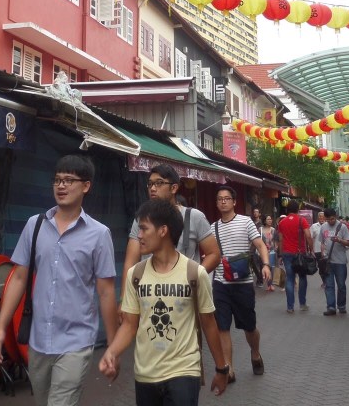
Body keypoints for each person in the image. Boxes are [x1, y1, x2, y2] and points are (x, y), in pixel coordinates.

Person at [0, 155, 118, 406]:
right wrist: (0, 327)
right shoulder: (34, 225)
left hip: (76, 341)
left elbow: (105, 292)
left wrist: (112, 346)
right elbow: (18, 278)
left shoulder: (99, 234)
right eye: (57, 180)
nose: (61, 186)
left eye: (69, 180)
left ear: (86, 186)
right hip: (38, 341)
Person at [100, 200, 229, 404]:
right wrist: (112, 352)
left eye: (143, 229)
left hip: (184, 371)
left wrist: (222, 368)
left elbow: (209, 324)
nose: (139, 235)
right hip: (145, 374)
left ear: (163, 231)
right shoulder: (136, 274)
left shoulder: (195, 273)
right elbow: (130, 324)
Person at [121, 164, 220, 304]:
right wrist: (124, 299)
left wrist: (191, 278)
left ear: (174, 188)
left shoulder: (194, 217)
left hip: (185, 299)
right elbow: (131, 261)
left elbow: (214, 254)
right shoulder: (141, 219)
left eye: (159, 183)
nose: (153, 188)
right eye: (150, 184)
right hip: (148, 297)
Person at [211, 185, 269, 381]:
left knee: (249, 327)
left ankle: (255, 353)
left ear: (234, 202)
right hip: (221, 284)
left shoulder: (246, 222)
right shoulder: (213, 228)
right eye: (220, 199)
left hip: (243, 283)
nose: (223, 201)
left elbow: (260, 244)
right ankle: (229, 368)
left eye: (227, 198)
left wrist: (266, 265)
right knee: (222, 327)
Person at [277, 201, 312, 312]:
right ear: (298, 209)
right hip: (300, 253)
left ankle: (290, 307)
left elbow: (281, 240)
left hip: (287, 253)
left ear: (288, 209)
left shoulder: (282, 222)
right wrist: (311, 249)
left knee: (290, 279)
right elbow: (308, 235)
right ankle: (302, 304)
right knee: (302, 278)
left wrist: (281, 254)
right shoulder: (302, 220)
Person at [319, 208, 349, 316]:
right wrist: (322, 253)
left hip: (340, 261)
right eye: (328, 220)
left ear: (336, 216)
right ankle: (331, 307)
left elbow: (348, 243)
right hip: (328, 262)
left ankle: (341, 306)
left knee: (341, 285)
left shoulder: (342, 227)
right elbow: (322, 242)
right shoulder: (323, 227)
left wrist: (339, 240)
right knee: (329, 285)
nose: (330, 221)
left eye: (332, 219)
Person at [260, 215, 277, 292]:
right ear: (264, 221)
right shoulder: (260, 229)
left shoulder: (273, 230)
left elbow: (276, 240)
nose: (270, 220)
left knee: (272, 268)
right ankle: (268, 284)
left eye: (271, 219)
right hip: (263, 252)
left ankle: (271, 284)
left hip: (272, 251)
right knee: (266, 267)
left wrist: (276, 248)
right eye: (268, 219)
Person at [309, 211, 325, 286]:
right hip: (317, 250)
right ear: (318, 218)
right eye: (320, 217)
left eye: (323, 216)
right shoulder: (314, 226)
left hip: (327, 250)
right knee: (321, 268)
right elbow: (310, 238)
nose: (321, 218)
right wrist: (311, 249)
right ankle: (324, 281)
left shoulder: (328, 225)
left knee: (328, 267)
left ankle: (328, 281)